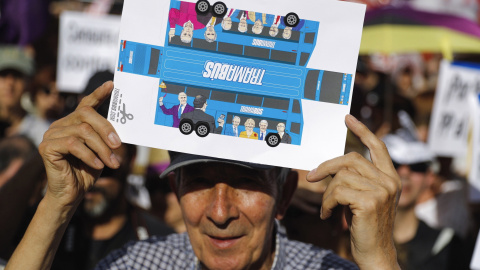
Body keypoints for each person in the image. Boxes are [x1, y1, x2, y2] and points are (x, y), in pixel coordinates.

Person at [6, 82, 401, 270]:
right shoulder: (137, 265)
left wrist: (379, 257)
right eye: (197, 181)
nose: (219, 211)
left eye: (246, 183)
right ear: (175, 188)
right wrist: (57, 203)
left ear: (284, 196)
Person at [383, 133, 468, 270]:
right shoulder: (351, 236)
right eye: (394, 164)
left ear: (429, 178)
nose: (404, 173)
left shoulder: (449, 247)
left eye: (417, 166)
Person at [0, 46, 50, 145]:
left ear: (28, 84)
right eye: (4, 75)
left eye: (17, 76)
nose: (10, 83)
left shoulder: (42, 133)